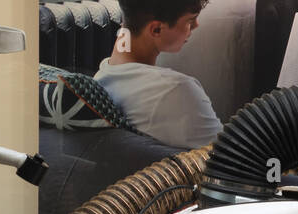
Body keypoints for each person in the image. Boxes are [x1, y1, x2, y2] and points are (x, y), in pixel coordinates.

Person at [94, 0, 222, 149]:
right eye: (190, 21)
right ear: (156, 30)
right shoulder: (177, 90)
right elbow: (233, 157)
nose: (196, 26)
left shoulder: (104, 74)